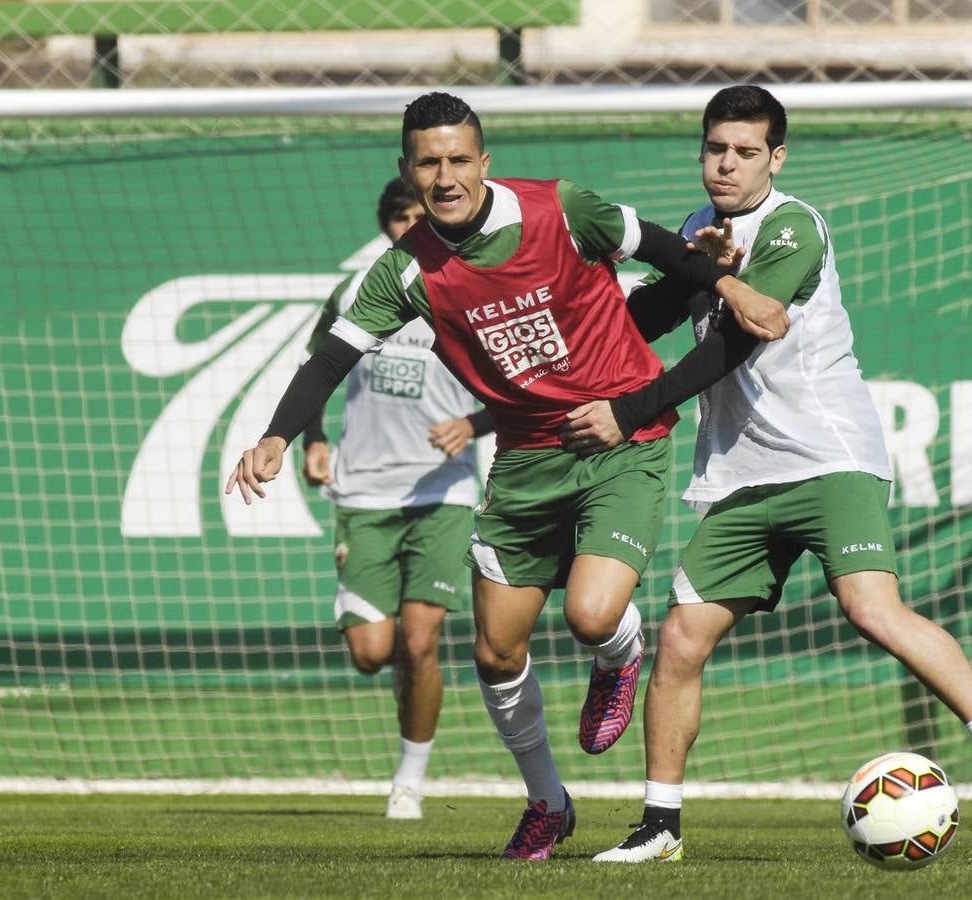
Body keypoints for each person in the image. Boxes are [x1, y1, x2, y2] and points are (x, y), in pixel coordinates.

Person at [225, 91, 790, 860]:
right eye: (430, 162)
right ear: (409, 171)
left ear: (484, 162)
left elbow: (659, 246)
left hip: (621, 439)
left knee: (591, 616)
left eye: (460, 158)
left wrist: (731, 285)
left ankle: (618, 656)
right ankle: (548, 803)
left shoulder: (559, 209)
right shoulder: (406, 273)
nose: (446, 175)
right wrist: (277, 436)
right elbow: (331, 355)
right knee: (494, 651)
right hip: (525, 462)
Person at [556, 85, 972, 863]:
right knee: (683, 637)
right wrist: (624, 296)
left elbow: (736, 345)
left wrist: (631, 409)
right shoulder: (696, 228)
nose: (726, 163)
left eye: (745, 151)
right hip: (743, 473)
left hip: (827, 455)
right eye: (715, 147)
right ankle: (660, 825)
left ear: (775, 158)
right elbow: (647, 320)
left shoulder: (792, 226)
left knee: (869, 609)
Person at [300, 178, 492, 821]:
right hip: (364, 490)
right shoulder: (358, 289)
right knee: (371, 654)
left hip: (443, 487)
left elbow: (520, 377)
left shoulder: (472, 283)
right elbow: (317, 370)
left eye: (424, 213)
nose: (416, 224)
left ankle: (409, 780)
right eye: (404, 216)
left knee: (419, 641)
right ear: (387, 223)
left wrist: (475, 425)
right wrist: (313, 440)